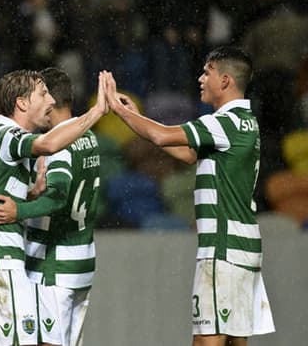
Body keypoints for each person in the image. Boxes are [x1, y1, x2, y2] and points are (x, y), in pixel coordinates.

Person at [103, 46, 275, 345]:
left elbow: (161, 135)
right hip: (242, 245)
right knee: (235, 341)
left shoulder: (224, 122)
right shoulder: (246, 122)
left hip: (223, 248)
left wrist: (119, 112)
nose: (200, 79)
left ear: (225, 81)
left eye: (206, 73)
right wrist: (137, 115)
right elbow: (186, 153)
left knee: (206, 340)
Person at [0, 69, 109, 345]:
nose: (50, 101)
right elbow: (49, 144)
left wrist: (29, 194)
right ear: (22, 103)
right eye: (43, 94)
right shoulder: (10, 136)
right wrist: (96, 112)